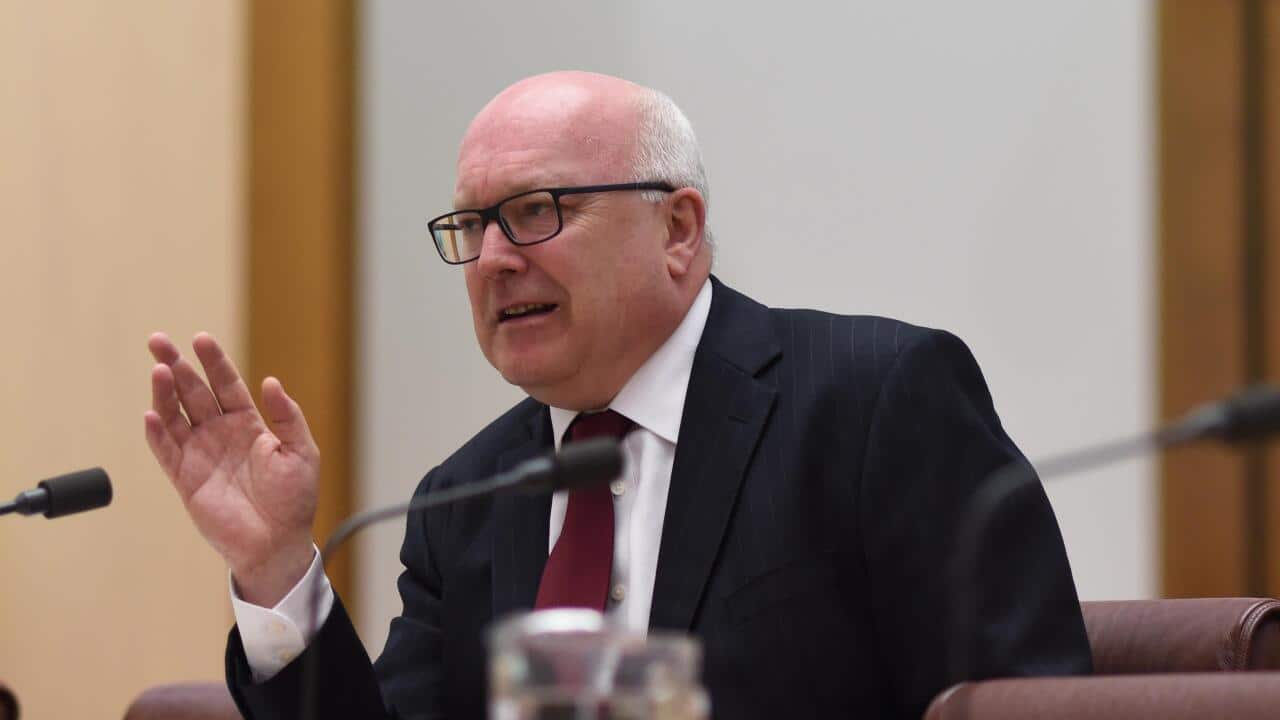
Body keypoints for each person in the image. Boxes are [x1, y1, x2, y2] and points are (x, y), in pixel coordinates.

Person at [144, 71, 1091, 719]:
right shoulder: (468, 496)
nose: (496, 258)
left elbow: (1015, 695)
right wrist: (275, 568)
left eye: (536, 211)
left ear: (678, 228)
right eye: (472, 225)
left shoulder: (871, 403)